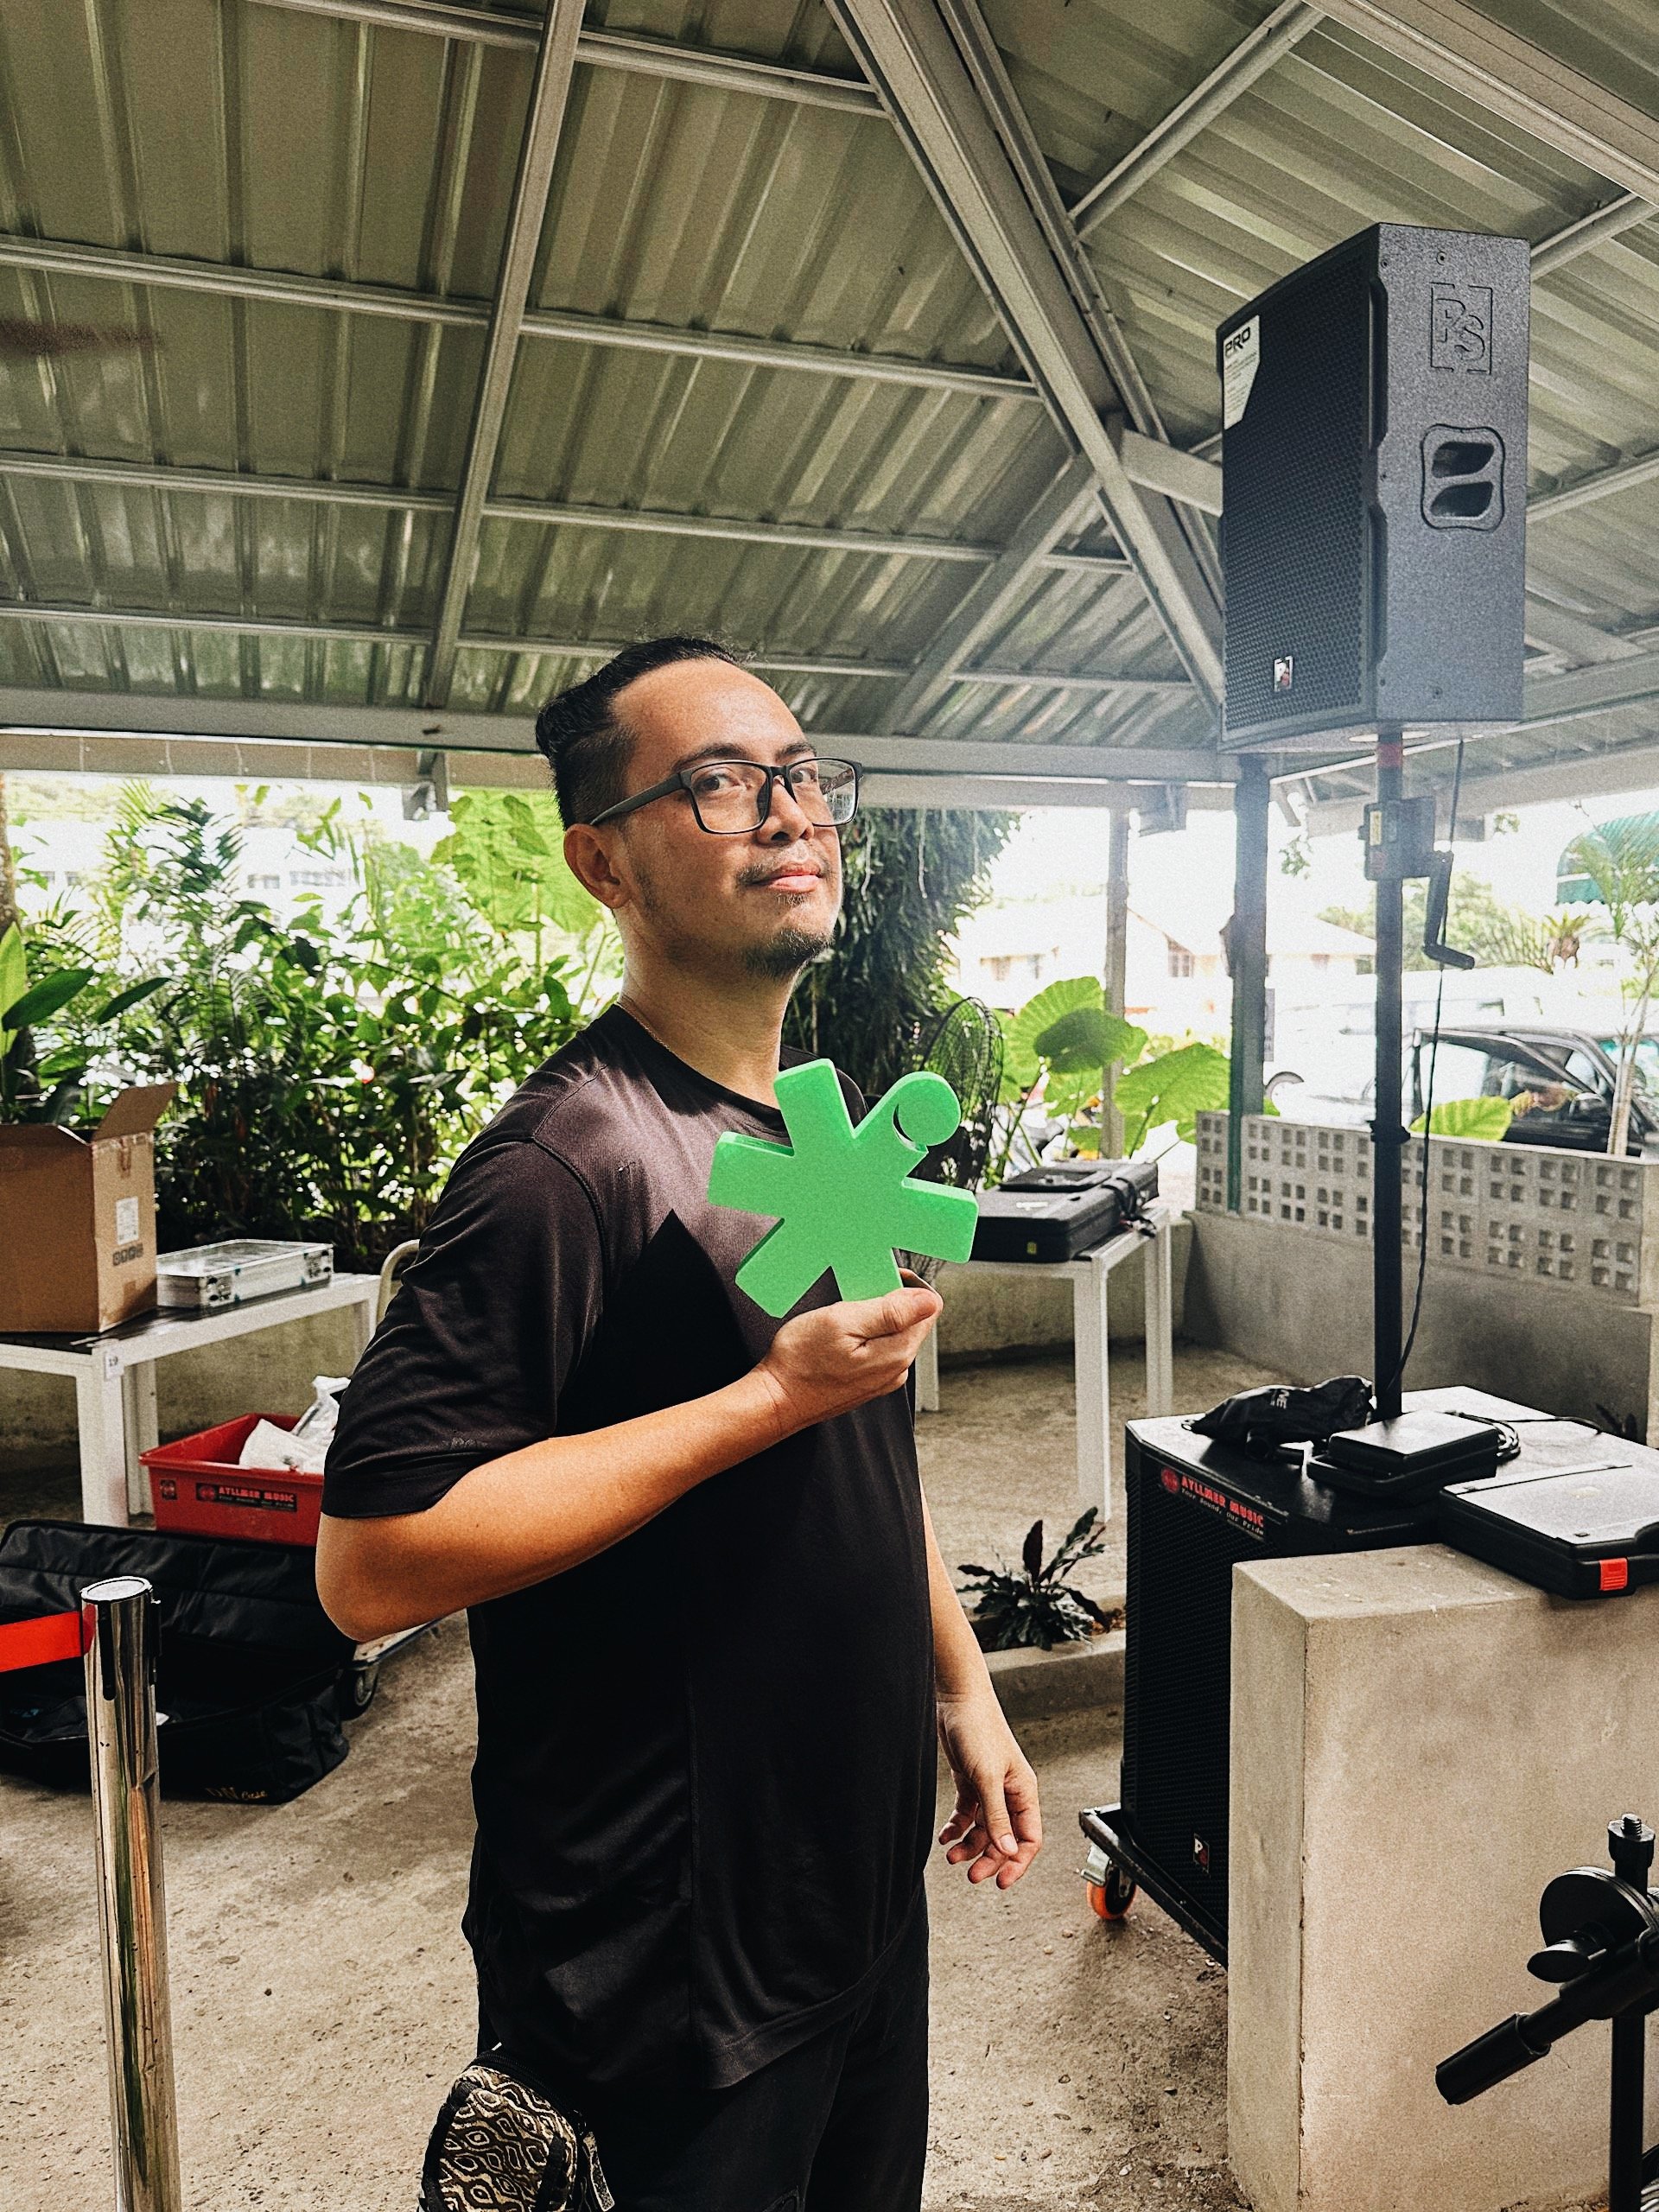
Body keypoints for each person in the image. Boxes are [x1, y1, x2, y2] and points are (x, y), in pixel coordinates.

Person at [316, 636, 1041, 2211]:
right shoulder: (568, 1166)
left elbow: (858, 1453)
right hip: (664, 1973)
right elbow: (371, 1562)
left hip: (846, 1905)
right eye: (719, 783)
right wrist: (763, 1399)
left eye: (804, 775)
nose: (789, 814)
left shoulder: (810, 1136)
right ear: (602, 860)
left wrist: (963, 1690)